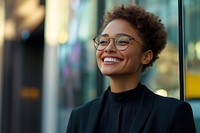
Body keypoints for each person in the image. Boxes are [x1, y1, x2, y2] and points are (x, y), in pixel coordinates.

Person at [66, 4, 196, 133]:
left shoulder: (172, 113)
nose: (109, 48)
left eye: (122, 41)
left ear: (146, 56)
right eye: (103, 41)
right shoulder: (79, 117)